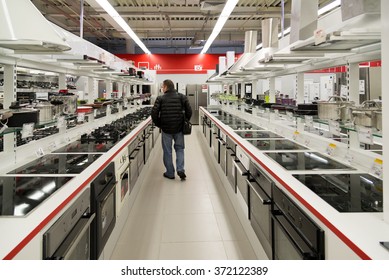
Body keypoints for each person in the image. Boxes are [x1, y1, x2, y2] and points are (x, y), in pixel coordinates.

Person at [151, 79, 192, 180]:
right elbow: (189, 111)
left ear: (165, 87)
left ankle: (170, 173)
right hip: (179, 128)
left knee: (167, 151)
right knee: (180, 149)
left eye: (162, 87)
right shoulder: (182, 97)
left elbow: (154, 114)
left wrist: (159, 124)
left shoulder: (160, 98)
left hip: (166, 129)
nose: (162, 88)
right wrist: (184, 121)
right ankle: (180, 170)